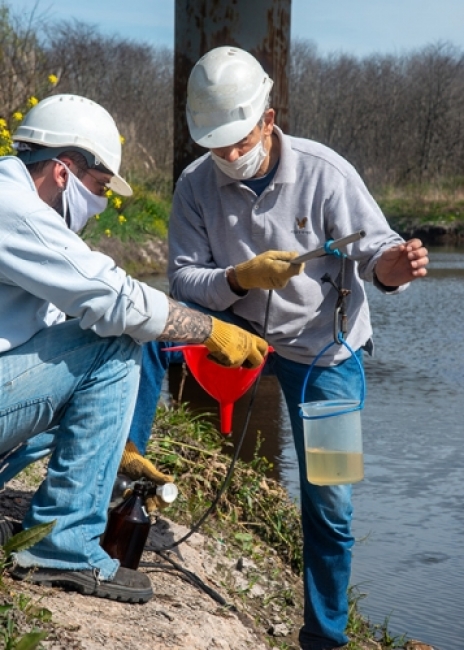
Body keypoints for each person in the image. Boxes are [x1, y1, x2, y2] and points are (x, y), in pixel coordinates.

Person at [126, 46, 429, 649]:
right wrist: (239, 278)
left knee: (332, 500)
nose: (231, 156)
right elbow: (183, 280)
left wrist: (395, 267)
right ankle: (124, 461)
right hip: (234, 333)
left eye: (240, 140)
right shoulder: (193, 185)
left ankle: (325, 637)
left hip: (325, 351)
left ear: (268, 120)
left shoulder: (326, 174)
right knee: (146, 330)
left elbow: (377, 254)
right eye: (218, 145)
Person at [0, 93, 268, 603]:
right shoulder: (10, 205)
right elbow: (111, 297)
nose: (99, 204)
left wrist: (110, 441)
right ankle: (63, 546)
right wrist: (209, 330)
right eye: (98, 187)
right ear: (63, 171)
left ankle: (56, 528)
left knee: (93, 359)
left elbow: (57, 324)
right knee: (116, 341)